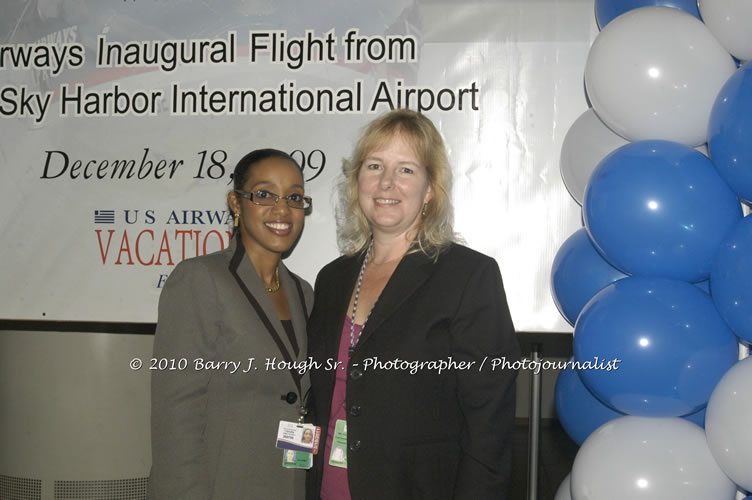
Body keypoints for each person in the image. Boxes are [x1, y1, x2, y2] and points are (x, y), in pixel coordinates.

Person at [306, 109, 521, 499]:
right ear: (357, 183)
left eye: (406, 170)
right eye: (374, 166)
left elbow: (489, 423)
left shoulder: (468, 276)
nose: (387, 182)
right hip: (330, 488)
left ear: (430, 190)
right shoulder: (333, 279)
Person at [148, 148, 314, 499]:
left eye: (295, 197)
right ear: (236, 204)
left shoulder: (304, 293)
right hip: (220, 485)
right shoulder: (199, 279)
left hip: (288, 484)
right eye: (265, 194)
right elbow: (176, 416)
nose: (282, 209)